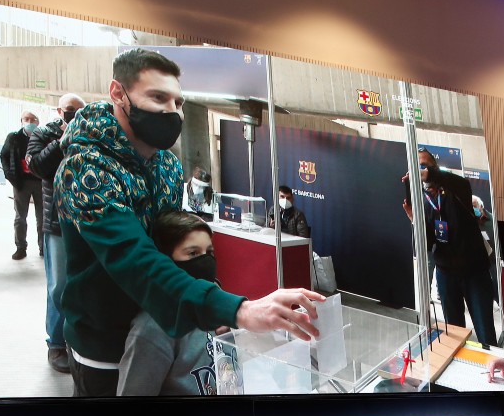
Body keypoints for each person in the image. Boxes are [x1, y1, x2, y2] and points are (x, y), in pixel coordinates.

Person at [55, 48, 323, 397]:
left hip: (162, 325)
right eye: (158, 97)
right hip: (105, 344)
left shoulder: (167, 165)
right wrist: (237, 309)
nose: (172, 111)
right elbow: (136, 260)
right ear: (118, 93)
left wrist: (209, 308)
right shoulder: (86, 169)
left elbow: (170, 247)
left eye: (178, 102)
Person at [119, 211, 223, 396]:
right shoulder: (152, 329)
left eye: (210, 252)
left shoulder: (215, 301)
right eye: (193, 253)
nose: (206, 261)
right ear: (166, 262)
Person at [402, 148, 495, 347]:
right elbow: (429, 244)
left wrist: (428, 173)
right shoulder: (423, 201)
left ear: (434, 168)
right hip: (446, 275)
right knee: (454, 335)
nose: (421, 171)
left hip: (474, 273)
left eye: (424, 166)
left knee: (486, 334)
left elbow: (459, 183)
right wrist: (415, 221)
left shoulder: (457, 189)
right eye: (417, 167)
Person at [27, 93, 86, 374]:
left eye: (80, 111)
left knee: (83, 283)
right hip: (57, 222)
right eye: (71, 110)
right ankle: (57, 343)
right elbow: (38, 166)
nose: (75, 115)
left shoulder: (90, 133)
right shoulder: (43, 134)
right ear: (59, 111)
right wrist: (63, 140)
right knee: (59, 285)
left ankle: (77, 340)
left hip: (86, 220)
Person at [1, 110, 44, 260]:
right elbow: (4, 155)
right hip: (21, 182)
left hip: (40, 181)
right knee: (20, 217)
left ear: (38, 122)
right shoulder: (14, 138)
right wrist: (9, 174)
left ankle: (43, 247)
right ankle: (20, 247)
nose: (30, 122)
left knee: (42, 217)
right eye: (26, 119)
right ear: (21, 121)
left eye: (33, 119)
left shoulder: (43, 137)